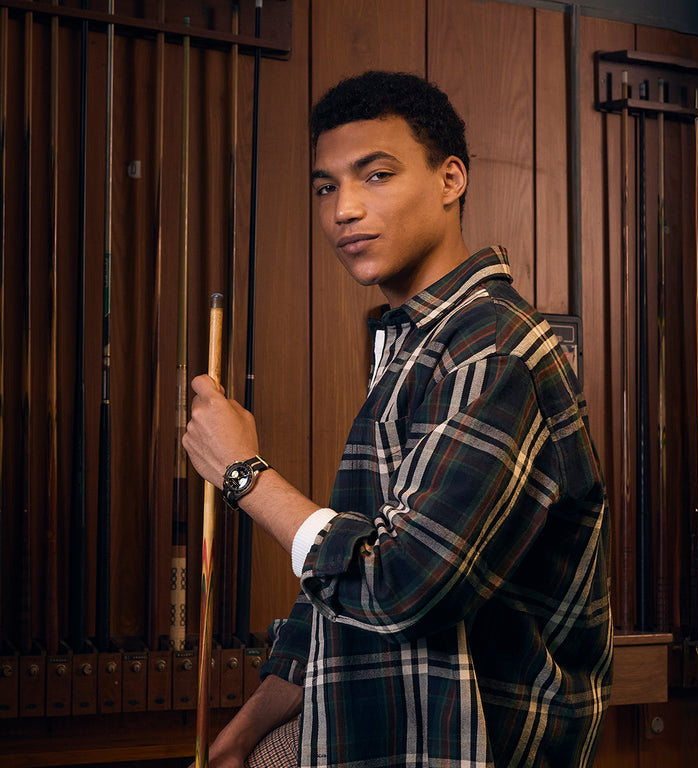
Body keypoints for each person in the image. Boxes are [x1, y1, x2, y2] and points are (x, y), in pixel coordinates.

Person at [183, 70, 613, 768]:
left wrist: (244, 474)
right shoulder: (412, 344)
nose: (344, 209)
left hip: (472, 748)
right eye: (326, 187)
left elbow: (405, 585)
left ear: (451, 180)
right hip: (384, 730)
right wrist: (244, 730)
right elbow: (340, 584)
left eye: (376, 175)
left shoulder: (492, 349)